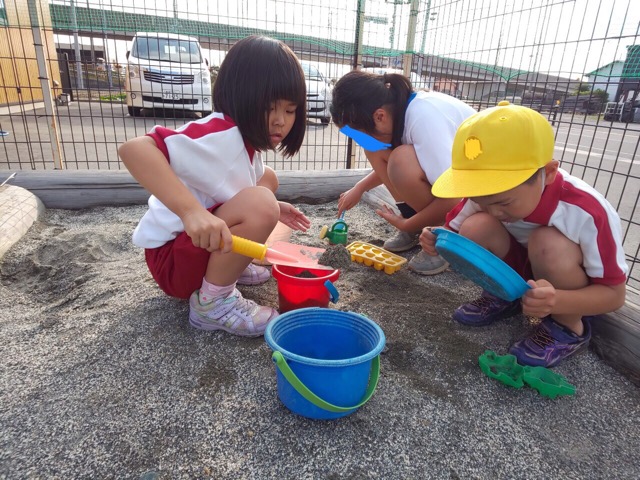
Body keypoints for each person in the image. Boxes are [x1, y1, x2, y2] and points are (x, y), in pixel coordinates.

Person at [118, 35, 311, 337]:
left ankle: (228, 266)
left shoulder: (248, 146)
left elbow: (234, 188)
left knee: (268, 181)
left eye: (290, 110)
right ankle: (213, 303)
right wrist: (190, 212)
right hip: (171, 260)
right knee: (261, 203)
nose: (280, 122)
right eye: (269, 108)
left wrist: (278, 207)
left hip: (193, 248)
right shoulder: (219, 134)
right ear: (240, 95)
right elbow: (134, 149)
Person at [421, 101, 628, 367]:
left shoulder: (587, 211)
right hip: (523, 275)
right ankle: (501, 295)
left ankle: (567, 328)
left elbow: (614, 294)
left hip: (567, 289)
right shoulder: (485, 196)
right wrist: (434, 237)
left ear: (549, 173)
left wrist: (557, 301)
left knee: (547, 243)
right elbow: (453, 233)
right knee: (475, 226)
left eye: (504, 202)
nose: (493, 211)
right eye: (481, 199)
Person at [330, 70, 476, 274]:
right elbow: (400, 166)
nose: (359, 140)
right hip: (457, 191)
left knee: (400, 159)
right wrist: (360, 187)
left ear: (379, 116)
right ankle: (419, 226)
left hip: (476, 204)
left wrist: (407, 224)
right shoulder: (402, 112)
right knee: (375, 148)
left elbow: (454, 197)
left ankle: (441, 240)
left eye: (358, 134)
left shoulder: (424, 119)